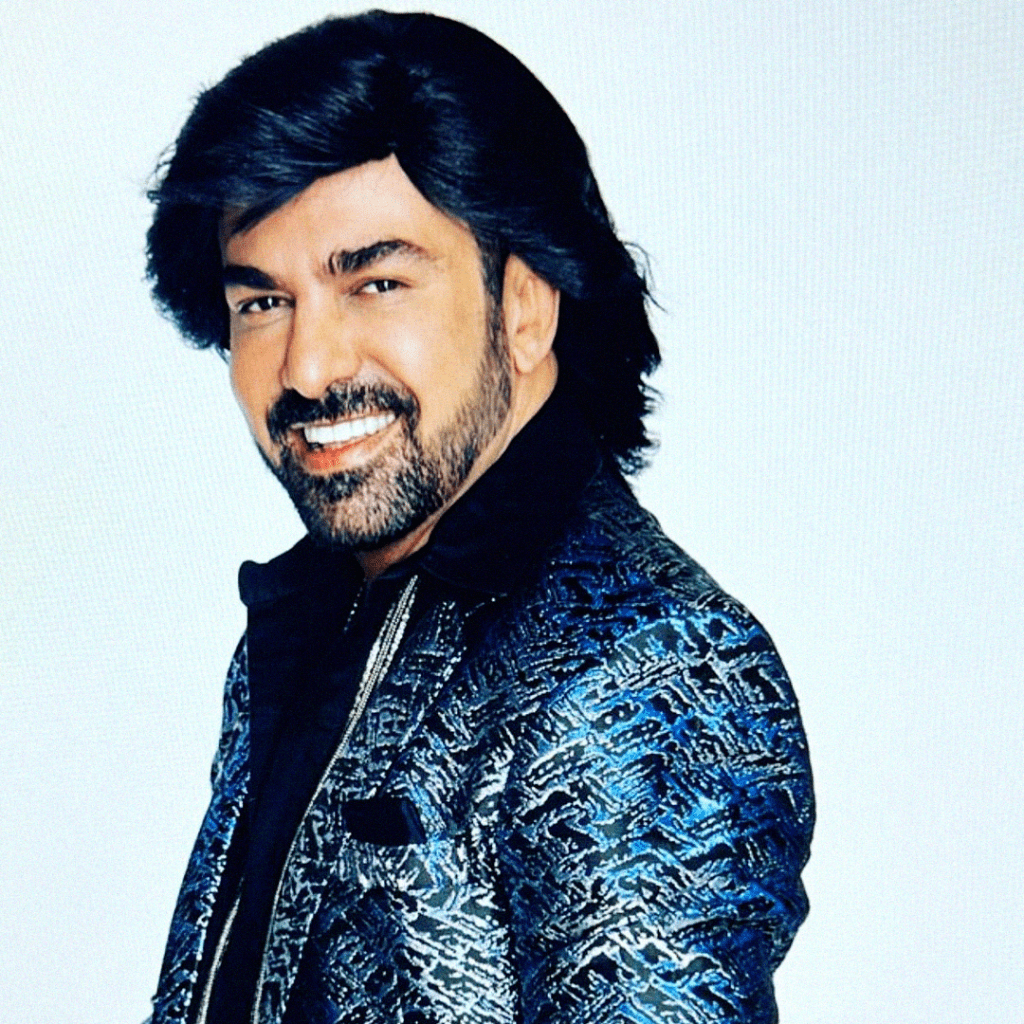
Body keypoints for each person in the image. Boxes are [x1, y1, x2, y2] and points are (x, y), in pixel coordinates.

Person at [144, 11, 814, 1024]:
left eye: (377, 283)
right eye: (263, 303)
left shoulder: (646, 669)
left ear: (526, 307)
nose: (309, 367)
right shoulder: (309, 620)